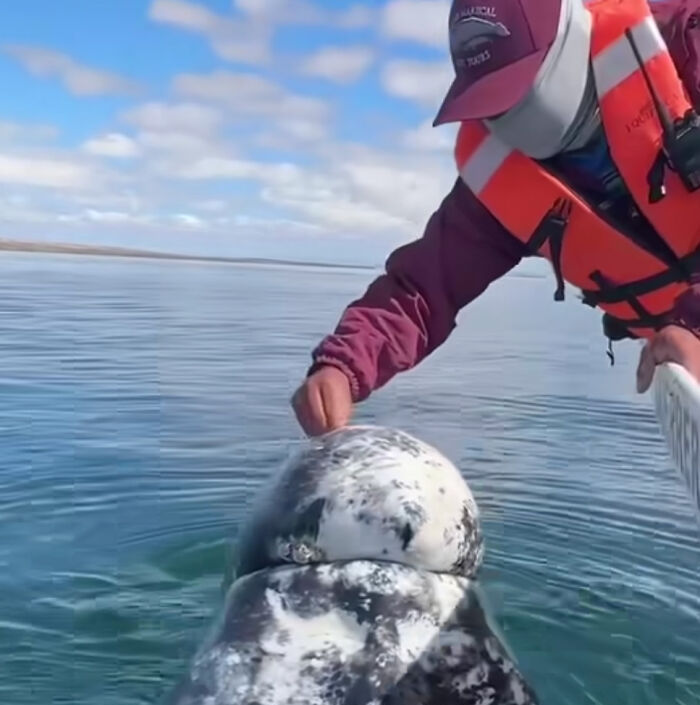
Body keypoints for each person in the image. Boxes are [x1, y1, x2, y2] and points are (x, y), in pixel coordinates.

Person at [291, 0, 700, 437]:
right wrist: (342, 364)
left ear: (568, 42)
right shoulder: (503, 177)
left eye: (517, 94)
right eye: (490, 104)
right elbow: (425, 287)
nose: (506, 121)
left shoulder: (686, 46)